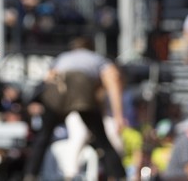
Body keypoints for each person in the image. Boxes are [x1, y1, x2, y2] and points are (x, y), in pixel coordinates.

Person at [23, 36, 126, 181]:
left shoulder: (63, 57)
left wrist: (36, 101)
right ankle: (118, 175)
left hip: (57, 93)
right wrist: (118, 115)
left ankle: (30, 175)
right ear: (91, 48)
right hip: (82, 92)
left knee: (43, 136)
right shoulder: (98, 59)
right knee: (101, 138)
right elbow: (113, 83)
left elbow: (47, 79)